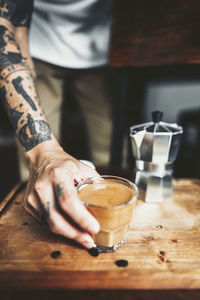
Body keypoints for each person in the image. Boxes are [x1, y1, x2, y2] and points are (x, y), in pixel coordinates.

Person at [0, 0, 113, 249]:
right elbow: (6, 29)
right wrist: (45, 155)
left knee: (109, 141)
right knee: (37, 166)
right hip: (38, 45)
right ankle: (41, 222)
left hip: (99, 48)